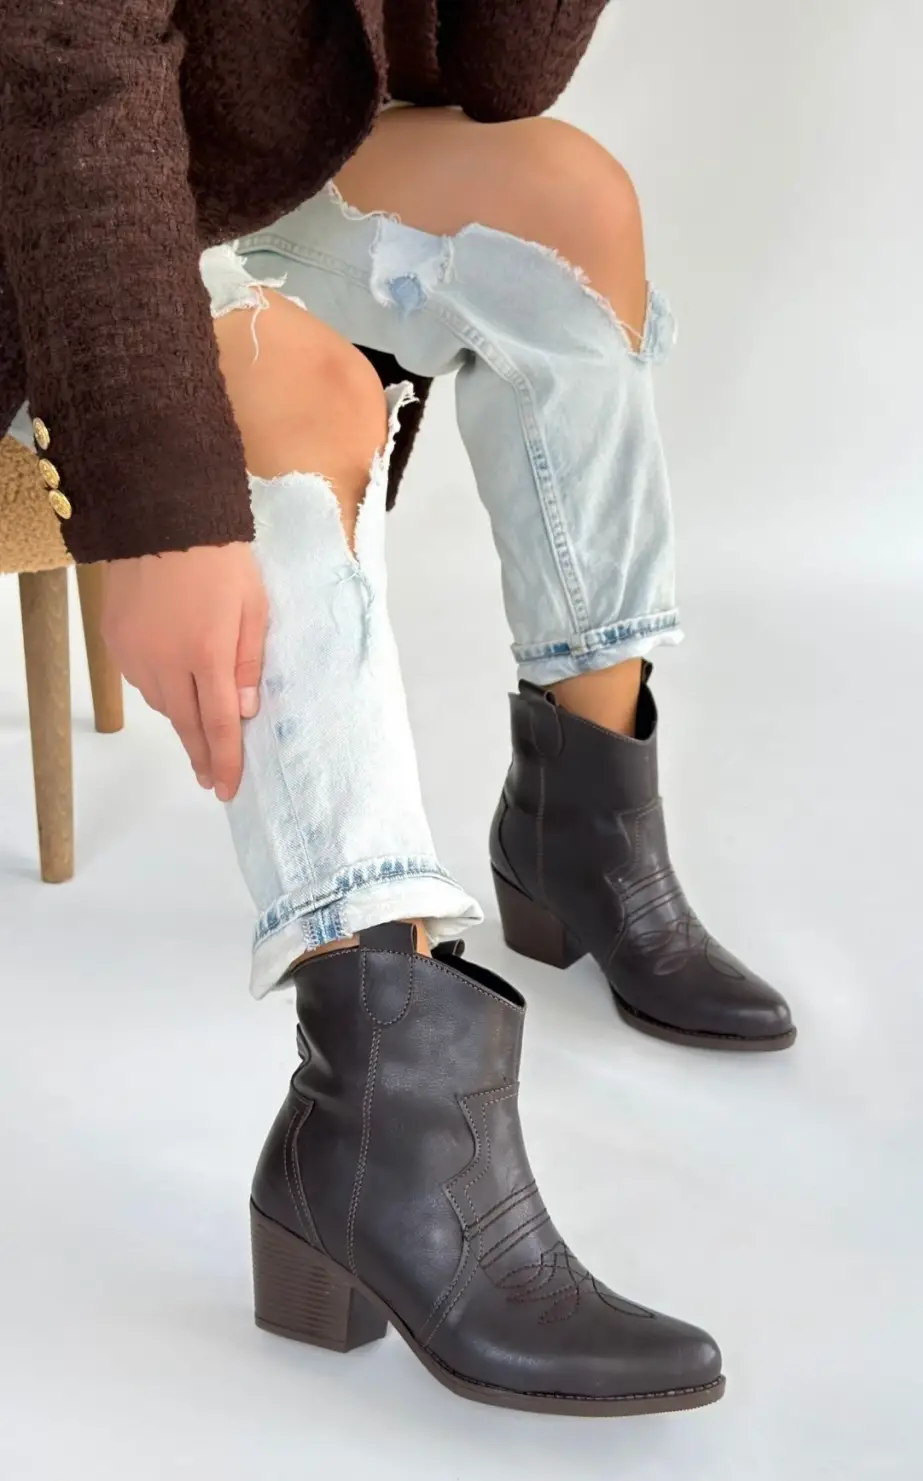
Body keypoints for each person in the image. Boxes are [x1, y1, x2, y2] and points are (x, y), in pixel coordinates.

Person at [1, 2, 795, 1416]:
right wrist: (160, 505)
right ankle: (386, 1122)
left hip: (197, 174)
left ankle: (580, 829)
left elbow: (491, 68)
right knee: (301, 394)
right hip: (39, 195)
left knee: (570, 209)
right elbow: (60, 71)